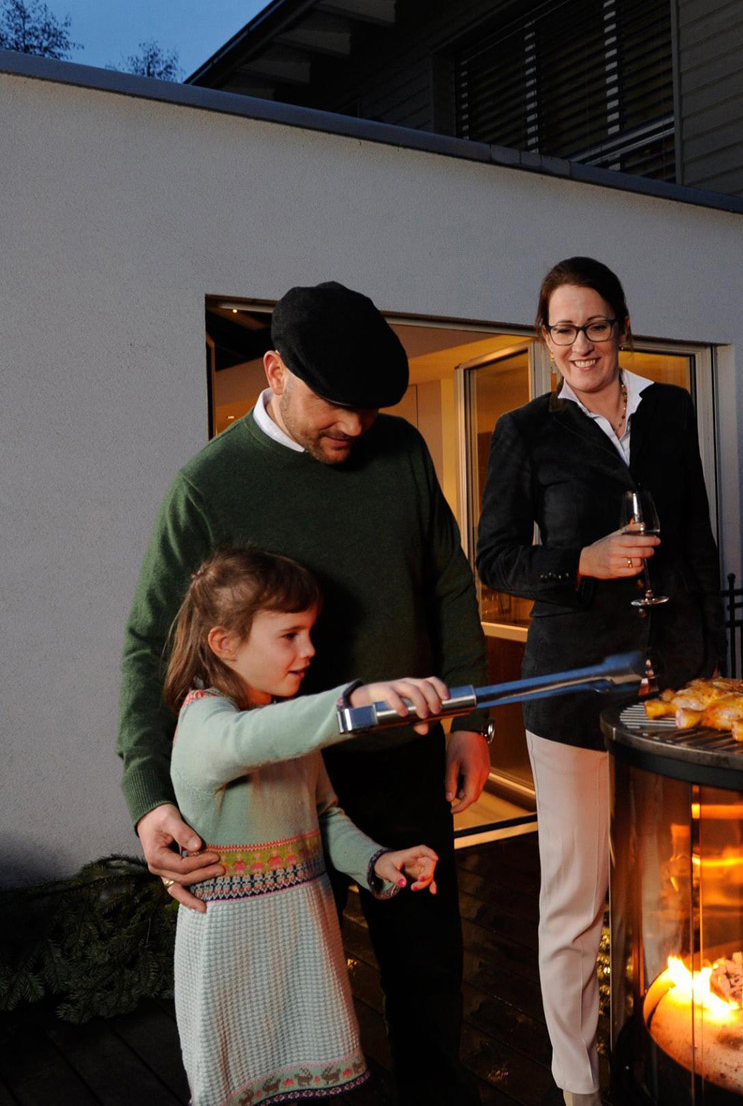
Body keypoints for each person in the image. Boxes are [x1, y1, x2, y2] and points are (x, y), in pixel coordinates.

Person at [118, 280, 488, 1105]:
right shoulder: (207, 487)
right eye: (336, 405)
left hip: (402, 765)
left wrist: (468, 716)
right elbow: (151, 645)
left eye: (368, 408)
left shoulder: (401, 452)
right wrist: (148, 797)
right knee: (293, 1008)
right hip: (274, 793)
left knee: (429, 984)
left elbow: (448, 579)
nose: (354, 427)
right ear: (275, 370)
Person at [475, 256, 724, 1106]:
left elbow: (695, 541)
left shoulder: (672, 408)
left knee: (664, 884)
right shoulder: (527, 431)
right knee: (577, 895)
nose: (581, 343)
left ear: (624, 324)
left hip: (668, 685)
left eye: (596, 324)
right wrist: (580, 561)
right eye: (563, 328)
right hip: (573, 688)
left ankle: (660, 1044)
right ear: (545, 340)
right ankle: (580, 1083)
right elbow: (495, 555)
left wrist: (711, 670)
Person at [165, 547, 444, 1105]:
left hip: (305, 951)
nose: (310, 650)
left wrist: (375, 861)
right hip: (233, 966)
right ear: (225, 643)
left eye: (310, 633)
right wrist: (355, 702)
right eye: (289, 635)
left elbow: (323, 817)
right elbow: (248, 740)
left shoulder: (288, 725)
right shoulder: (205, 724)